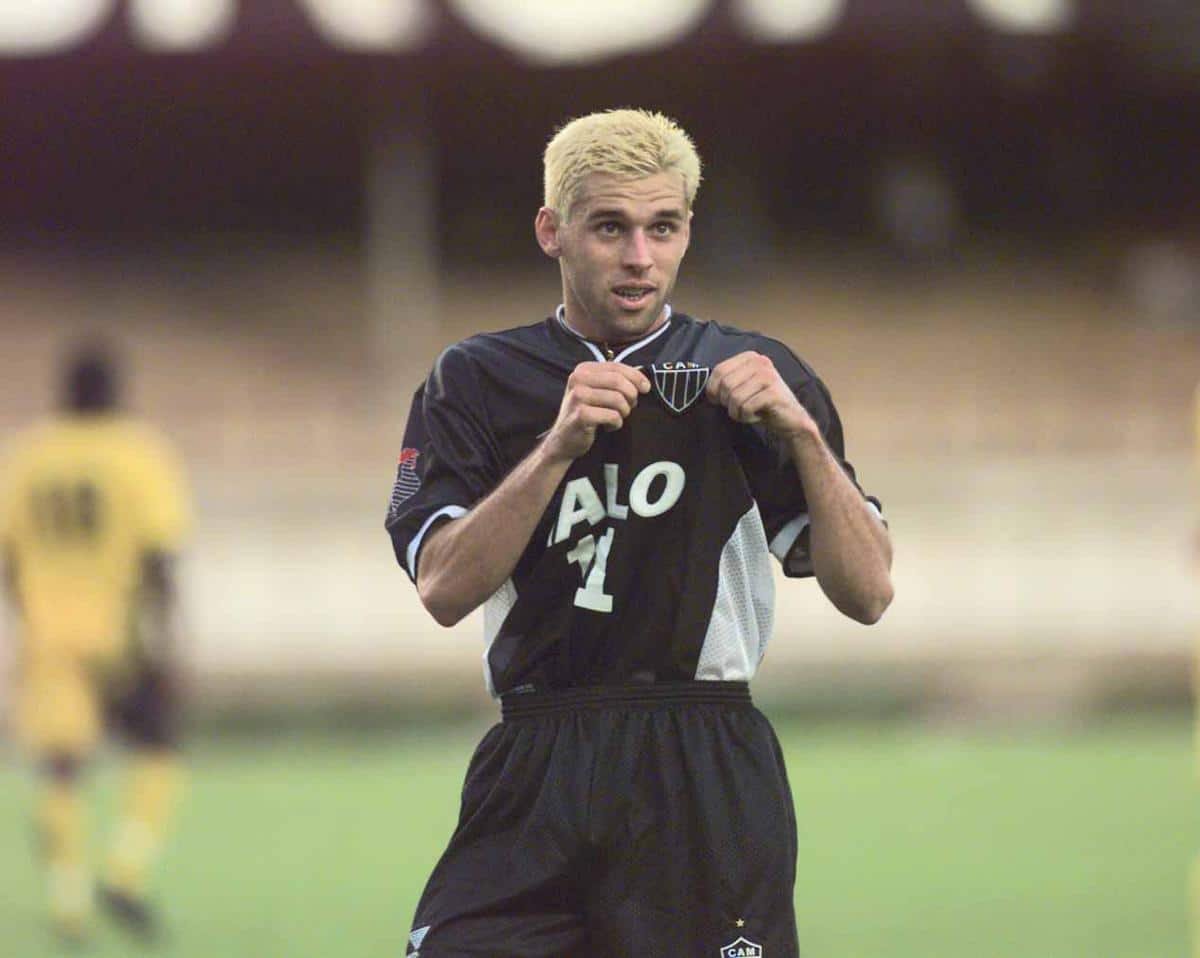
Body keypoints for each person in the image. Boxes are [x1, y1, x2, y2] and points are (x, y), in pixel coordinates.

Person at [385, 108, 894, 957]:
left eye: (662, 228)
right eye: (610, 228)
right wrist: (557, 447)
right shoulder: (475, 380)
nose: (639, 258)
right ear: (552, 230)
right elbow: (440, 587)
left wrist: (800, 434)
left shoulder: (754, 373)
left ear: (688, 230)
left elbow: (870, 591)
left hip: (701, 759)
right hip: (535, 758)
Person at [0, 343, 191, 944]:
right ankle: (125, 873)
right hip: (119, 631)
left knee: (60, 769)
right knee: (159, 743)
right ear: (115, 392)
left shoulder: (27, 456)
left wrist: (29, 613)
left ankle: (68, 907)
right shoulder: (138, 453)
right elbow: (160, 556)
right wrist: (166, 640)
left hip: (49, 636)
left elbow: (6, 556)